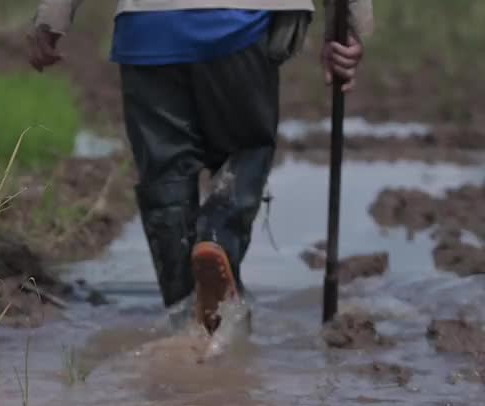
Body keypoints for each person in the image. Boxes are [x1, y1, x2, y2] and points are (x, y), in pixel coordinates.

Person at [28, 1, 371, 333]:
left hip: (147, 25)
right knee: (247, 149)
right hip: (238, 24)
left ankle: (183, 317)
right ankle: (217, 238)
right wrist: (350, 28)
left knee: (165, 174)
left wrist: (51, 17)